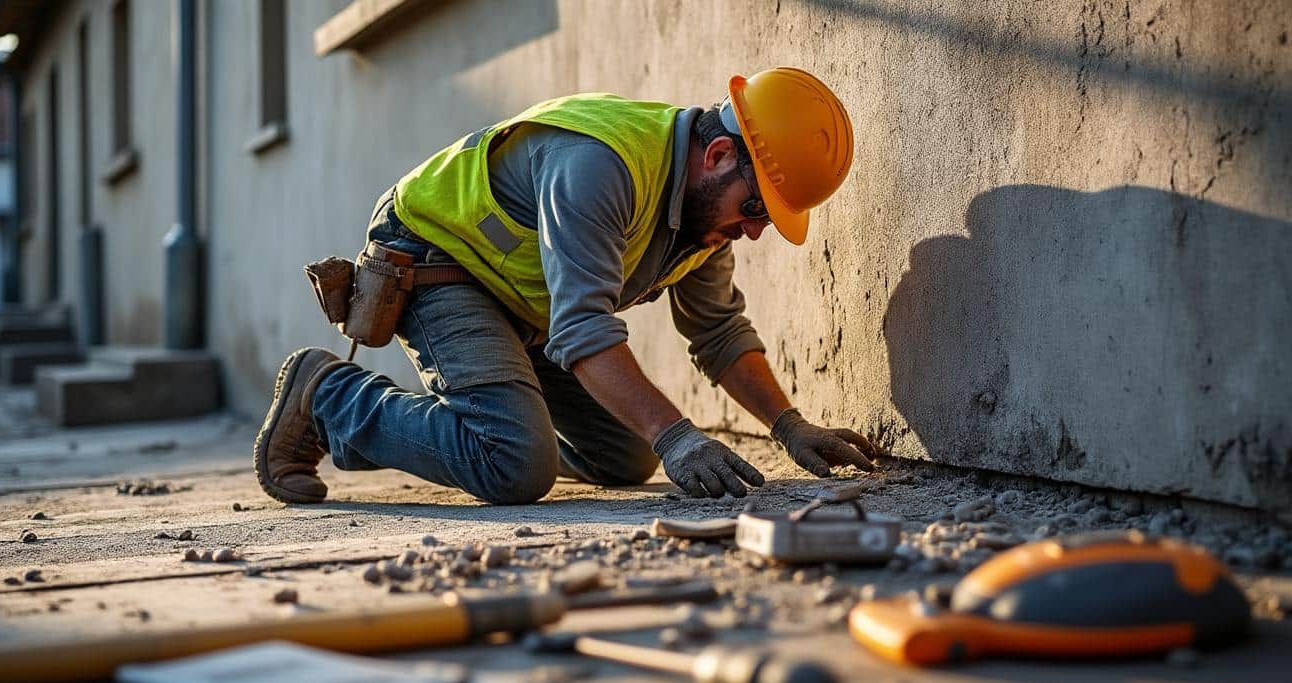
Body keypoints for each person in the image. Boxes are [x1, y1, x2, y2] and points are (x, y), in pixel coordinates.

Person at [254, 67, 877, 507]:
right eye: (758, 211)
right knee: (514, 464)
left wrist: (790, 426)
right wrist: (680, 433)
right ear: (717, 156)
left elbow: (718, 333)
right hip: (439, 258)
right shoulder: (602, 167)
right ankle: (330, 394)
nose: (755, 232)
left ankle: (505, 414)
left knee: (630, 457)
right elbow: (583, 331)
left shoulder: (704, 220)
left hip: (522, 301)